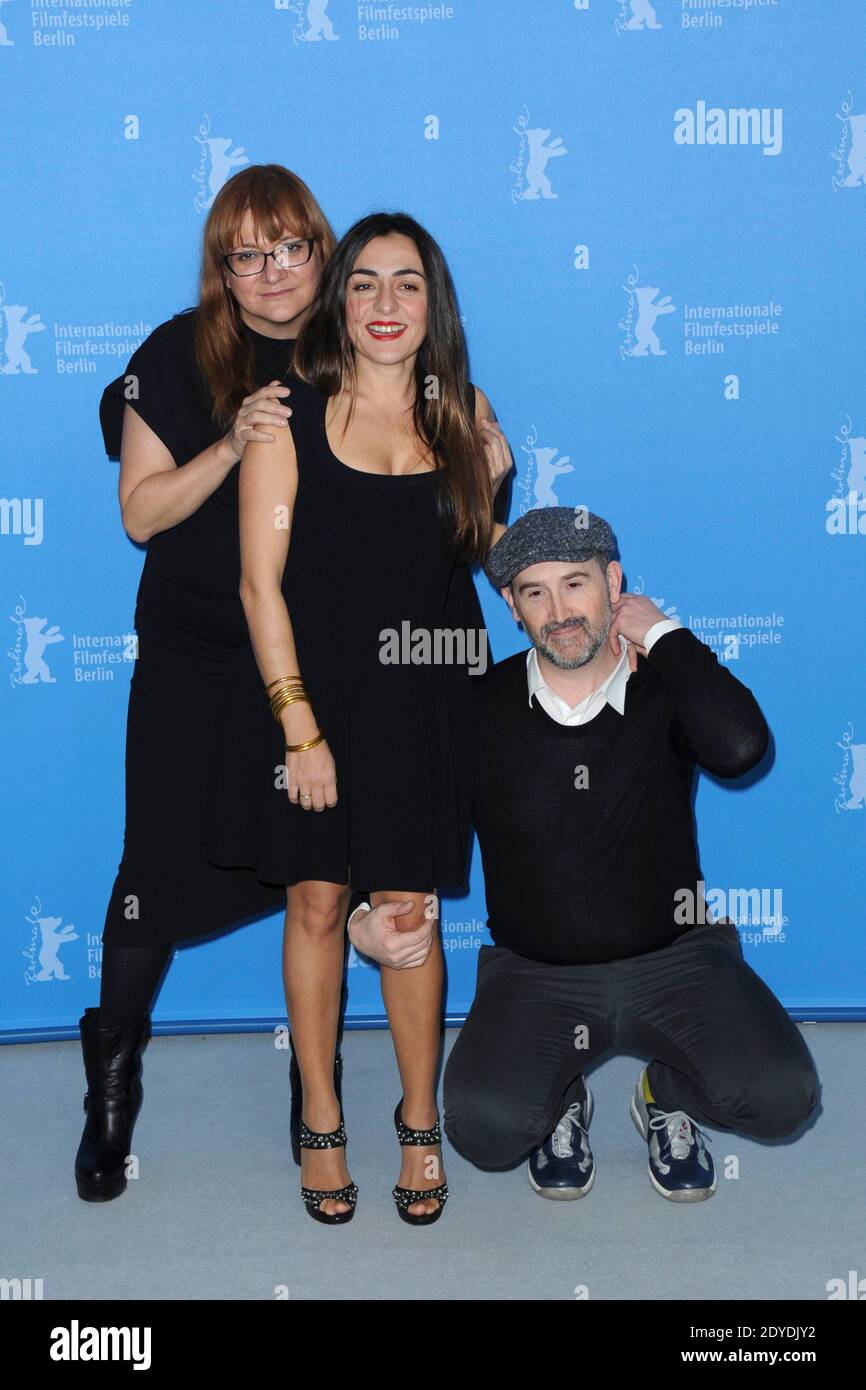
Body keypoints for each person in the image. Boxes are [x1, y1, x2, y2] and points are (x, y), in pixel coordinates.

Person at [353, 507, 820, 1203]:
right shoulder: (477, 707)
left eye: (576, 583)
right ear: (511, 606)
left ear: (614, 584)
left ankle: (664, 1095)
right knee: (485, 1128)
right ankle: (560, 1099)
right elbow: (407, 823)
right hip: (536, 976)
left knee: (784, 1096)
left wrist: (663, 635)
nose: (559, 612)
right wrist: (362, 914)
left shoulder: (665, 689)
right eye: (534, 592)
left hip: (678, 963)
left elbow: (742, 747)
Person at [204, 211, 512, 1225]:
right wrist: (298, 729)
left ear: (433, 304)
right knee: (317, 906)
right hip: (315, 698)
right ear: (339, 301)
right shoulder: (285, 415)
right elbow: (258, 584)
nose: (386, 303)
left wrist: (494, 484)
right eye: (366, 282)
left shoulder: (462, 412)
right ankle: (321, 1116)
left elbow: (472, 556)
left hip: (425, 696)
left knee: (410, 915)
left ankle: (419, 1120)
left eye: (407, 283)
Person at [75, 165, 340, 1203]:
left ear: (321, 250)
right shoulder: (176, 353)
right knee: (151, 864)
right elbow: (140, 515)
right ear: (220, 270)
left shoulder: (360, 347)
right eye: (247, 254)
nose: (272, 272)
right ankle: (112, 1082)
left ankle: (313, 1083)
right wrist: (231, 443)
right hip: (193, 650)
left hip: (315, 652)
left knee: (316, 867)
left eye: (291, 248)